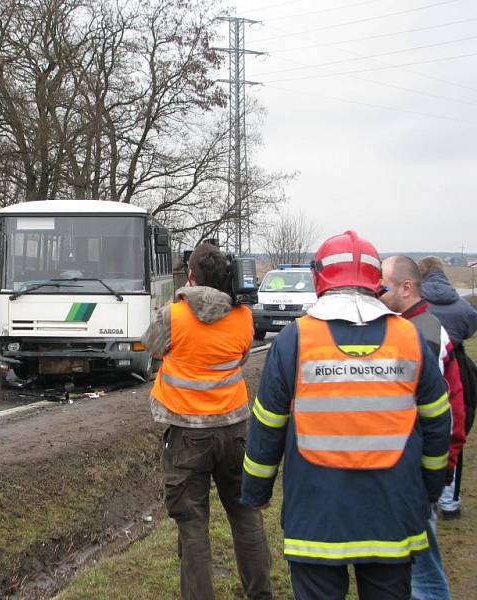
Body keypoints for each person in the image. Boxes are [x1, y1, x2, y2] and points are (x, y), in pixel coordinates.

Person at [242, 231, 451, 600]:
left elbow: (267, 425)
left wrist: (256, 491)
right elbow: (437, 424)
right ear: (374, 281)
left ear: (319, 277)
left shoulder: (295, 339)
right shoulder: (410, 337)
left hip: (316, 519)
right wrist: (431, 489)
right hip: (393, 514)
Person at [142, 242, 273, 600]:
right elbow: (243, 355)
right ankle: (260, 593)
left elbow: (150, 346)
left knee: (193, 526)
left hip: (185, 435)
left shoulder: (174, 316)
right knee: (246, 516)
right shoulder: (244, 317)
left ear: (190, 276)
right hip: (234, 430)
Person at [380, 255, 465, 600]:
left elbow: (440, 412)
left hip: (420, 467)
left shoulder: (423, 334)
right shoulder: (416, 327)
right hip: (415, 463)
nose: (377, 292)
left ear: (406, 287)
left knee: (423, 569)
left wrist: (440, 468)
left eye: (383, 285)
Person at [418, 255, 477, 520]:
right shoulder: (460, 302)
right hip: (457, 365)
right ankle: (450, 501)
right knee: (455, 428)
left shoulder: (419, 303)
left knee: (426, 428)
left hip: (426, 364)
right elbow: (471, 325)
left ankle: (426, 490)